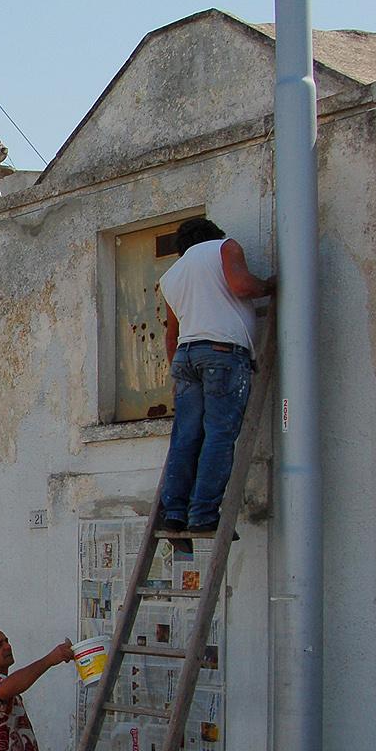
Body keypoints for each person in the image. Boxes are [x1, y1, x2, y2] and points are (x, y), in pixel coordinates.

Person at [157, 217, 275, 546]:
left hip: (186, 357)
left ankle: (175, 511)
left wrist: (177, 375)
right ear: (214, 235)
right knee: (219, 435)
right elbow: (241, 286)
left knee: (186, 436)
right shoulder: (225, 247)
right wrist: (269, 285)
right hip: (222, 354)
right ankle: (204, 513)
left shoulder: (171, 275)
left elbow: (171, 336)